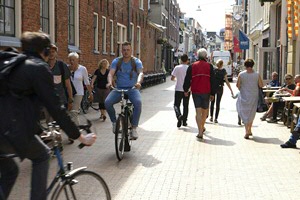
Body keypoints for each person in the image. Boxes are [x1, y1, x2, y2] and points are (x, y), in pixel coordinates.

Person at [0, 31, 96, 200]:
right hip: (10, 130)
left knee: (10, 171)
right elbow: (55, 108)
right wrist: (80, 137)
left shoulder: (13, 64)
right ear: (44, 51)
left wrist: (38, 130)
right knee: (42, 156)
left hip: (5, 127)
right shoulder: (38, 68)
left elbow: (18, 103)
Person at [105, 41, 144, 140]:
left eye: (128, 50)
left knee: (138, 103)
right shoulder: (117, 61)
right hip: (119, 89)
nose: (126, 52)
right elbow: (110, 74)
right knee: (107, 102)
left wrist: (138, 82)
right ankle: (114, 122)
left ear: (131, 50)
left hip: (132, 89)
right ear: (121, 51)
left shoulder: (136, 61)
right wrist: (109, 82)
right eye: (124, 50)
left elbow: (140, 73)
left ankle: (134, 128)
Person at [183, 48, 216, 139]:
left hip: (196, 91)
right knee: (205, 112)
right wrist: (213, 93)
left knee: (198, 112)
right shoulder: (209, 66)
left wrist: (186, 90)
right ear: (205, 56)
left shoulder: (192, 66)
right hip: (206, 91)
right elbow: (213, 80)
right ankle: (202, 128)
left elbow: (187, 79)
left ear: (197, 56)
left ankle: (200, 131)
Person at [43, 44, 74, 123]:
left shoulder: (61, 66)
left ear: (56, 53)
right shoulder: (43, 66)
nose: (51, 53)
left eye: (53, 51)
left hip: (60, 100)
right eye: (49, 52)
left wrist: (70, 99)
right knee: (49, 122)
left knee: (56, 122)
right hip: (46, 100)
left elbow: (68, 84)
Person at [236, 58, 264, 139]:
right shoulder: (257, 74)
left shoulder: (241, 74)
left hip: (244, 95)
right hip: (254, 96)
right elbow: (261, 85)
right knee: (251, 113)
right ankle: (249, 129)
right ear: (252, 65)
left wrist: (243, 88)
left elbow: (238, 85)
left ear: (245, 65)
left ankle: (246, 131)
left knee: (244, 112)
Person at [68, 52, 93, 125]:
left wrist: (90, 93)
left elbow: (87, 82)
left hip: (78, 93)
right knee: (69, 112)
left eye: (73, 60)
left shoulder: (82, 69)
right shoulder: (66, 68)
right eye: (70, 60)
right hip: (69, 93)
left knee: (74, 111)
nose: (72, 62)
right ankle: (74, 130)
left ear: (77, 60)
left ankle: (76, 131)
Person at [209, 59, 234, 123]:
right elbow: (227, 81)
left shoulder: (214, 70)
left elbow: (210, 80)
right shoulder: (223, 71)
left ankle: (211, 116)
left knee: (212, 102)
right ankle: (216, 118)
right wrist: (231, 90)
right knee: (218, 103)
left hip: (213, 88)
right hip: (220, 88)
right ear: (222, 64)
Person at [171, 54, 190, 127]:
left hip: (178, 88)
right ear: (187, 60)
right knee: (185, 105)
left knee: (176, 104)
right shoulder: (189, 68)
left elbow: (172, 78)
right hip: (187, 89)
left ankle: (179, 116)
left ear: (181, 60)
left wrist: (177, 80)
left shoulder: (177, 67)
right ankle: (184, 121)